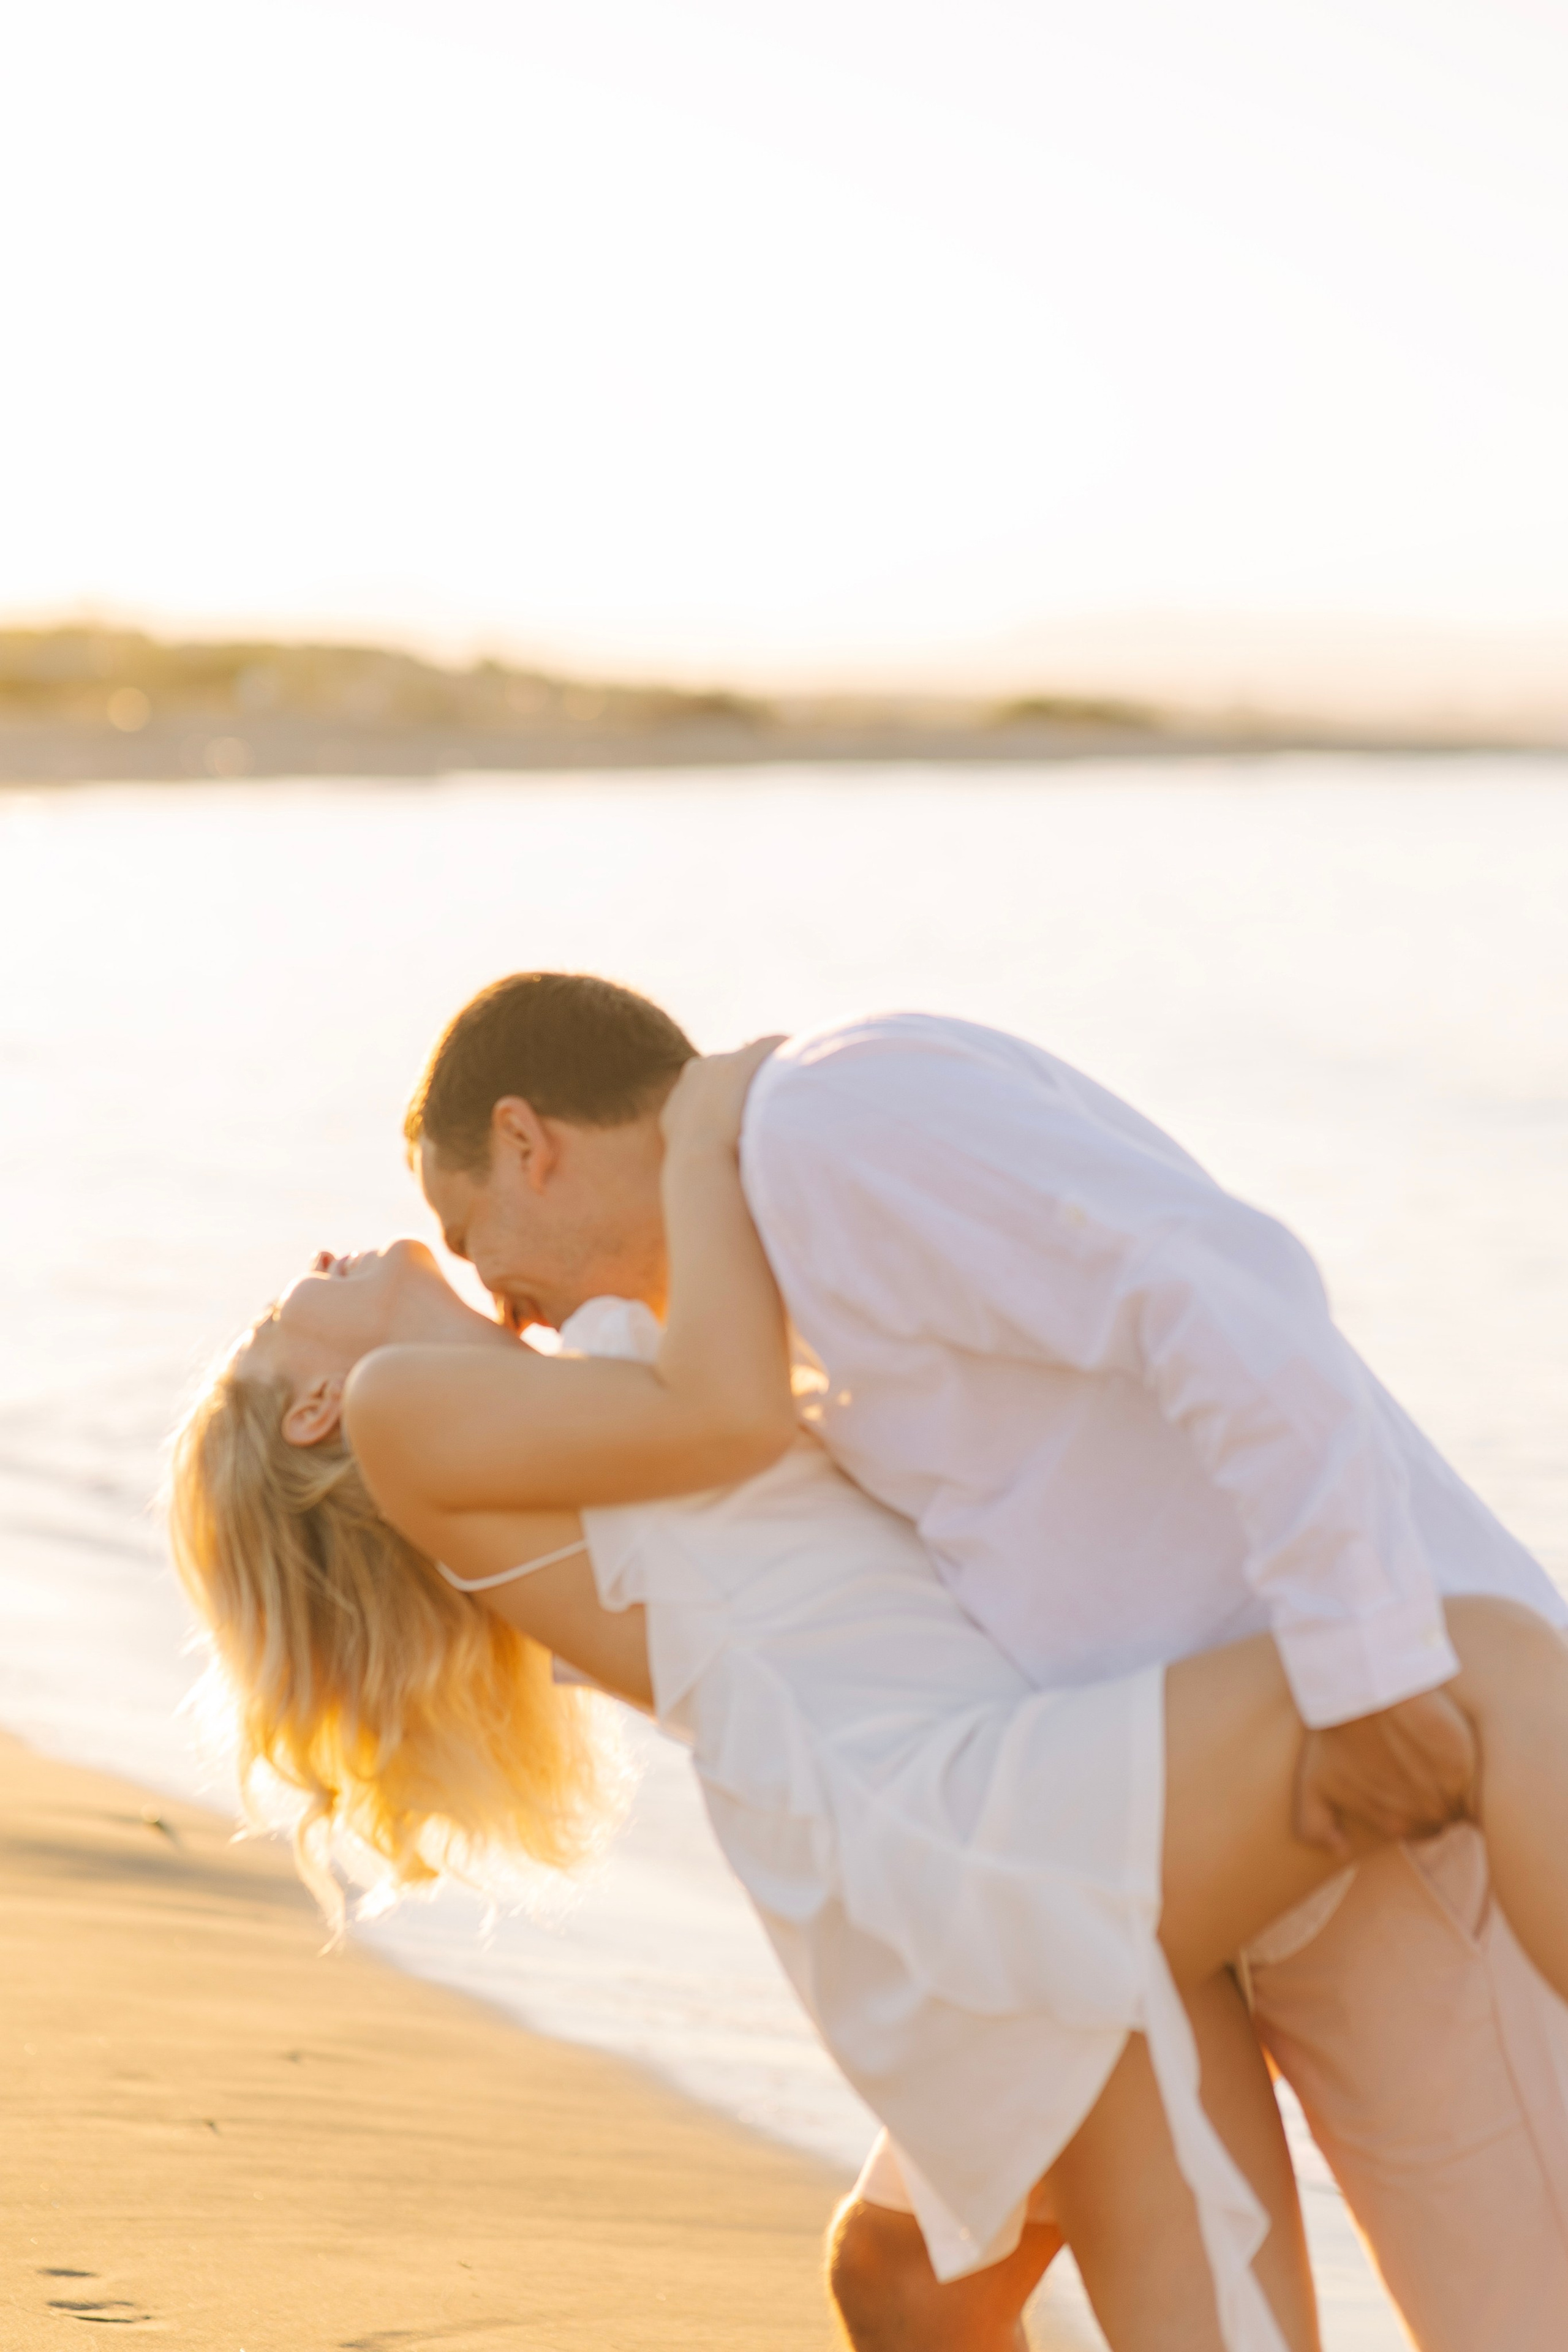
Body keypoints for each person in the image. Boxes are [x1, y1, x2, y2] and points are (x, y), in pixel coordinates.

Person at [167, 1046, 1568, 2352]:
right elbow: (732, 1415)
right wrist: (706, 1133)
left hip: (969, 1838)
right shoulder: (410, 1412)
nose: (300, 1266)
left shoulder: (561, 1406)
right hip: (960, 1816)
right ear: (312, 1414)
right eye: (264, 1327)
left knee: (1195, 2319)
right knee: (1487, 1665)